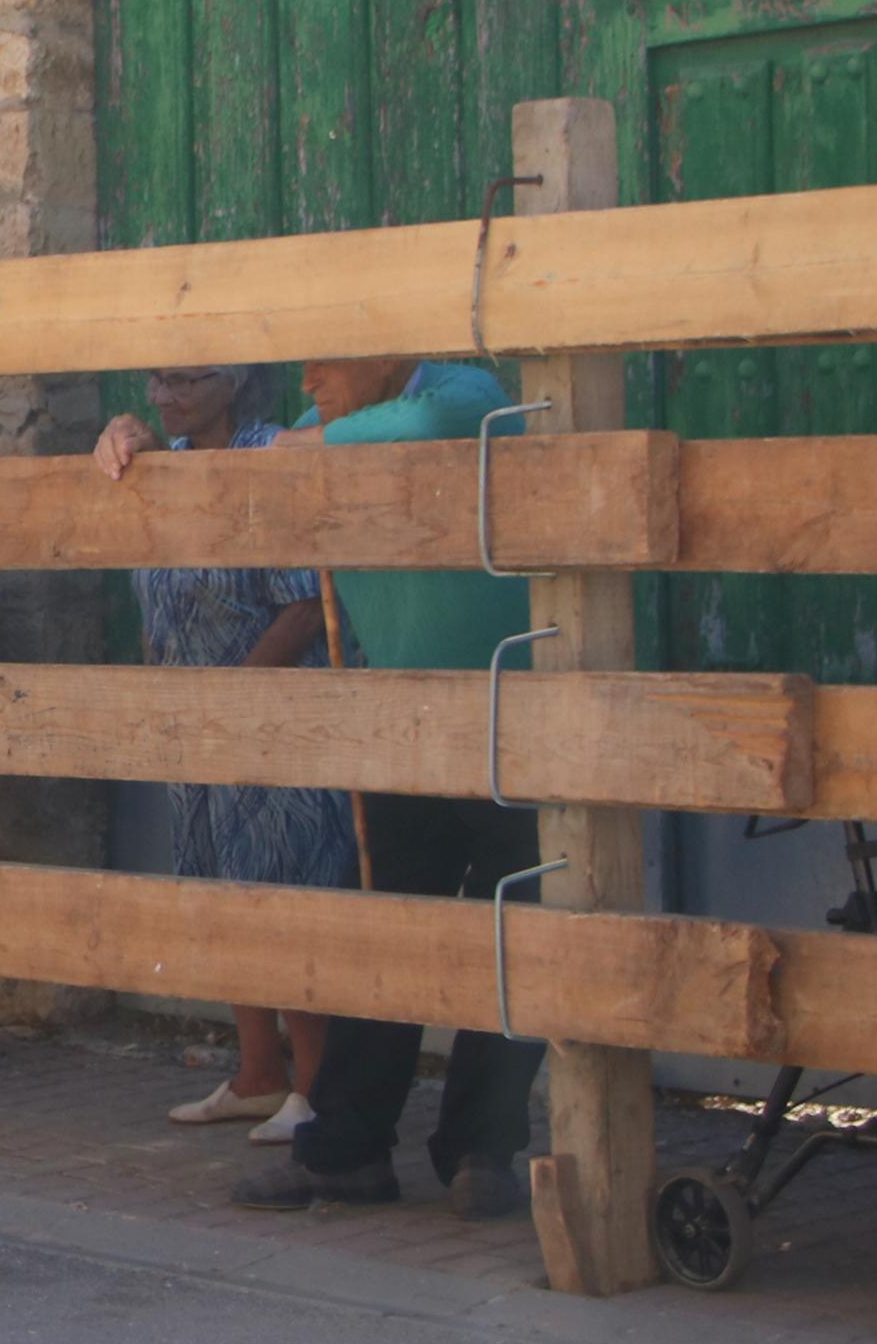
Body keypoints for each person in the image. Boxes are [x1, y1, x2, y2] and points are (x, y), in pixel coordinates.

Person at [227, 354, 545, 1220]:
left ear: (381, 352)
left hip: (507, 715)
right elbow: (227, 447)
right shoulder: (332, 436)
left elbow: (441, 423)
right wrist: (127, 434)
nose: (308, 383)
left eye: (324, 365)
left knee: (508, 936)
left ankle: (481, 1149)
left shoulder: (462, 391)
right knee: (389, 938)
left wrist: (314, 440)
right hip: (406, 719)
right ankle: (346, 1150)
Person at [93, 363, 358, 1142]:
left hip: (271, 718)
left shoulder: (260, 458)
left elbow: (304, 604)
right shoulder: (163, 464)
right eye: (159, 381)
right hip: (193, 728)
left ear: (234, 380)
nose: (168, 395)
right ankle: (256, 1073)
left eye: (188, 379)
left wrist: (232, 698)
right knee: (217, 894)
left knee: (285, 896)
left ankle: (311, 1089)